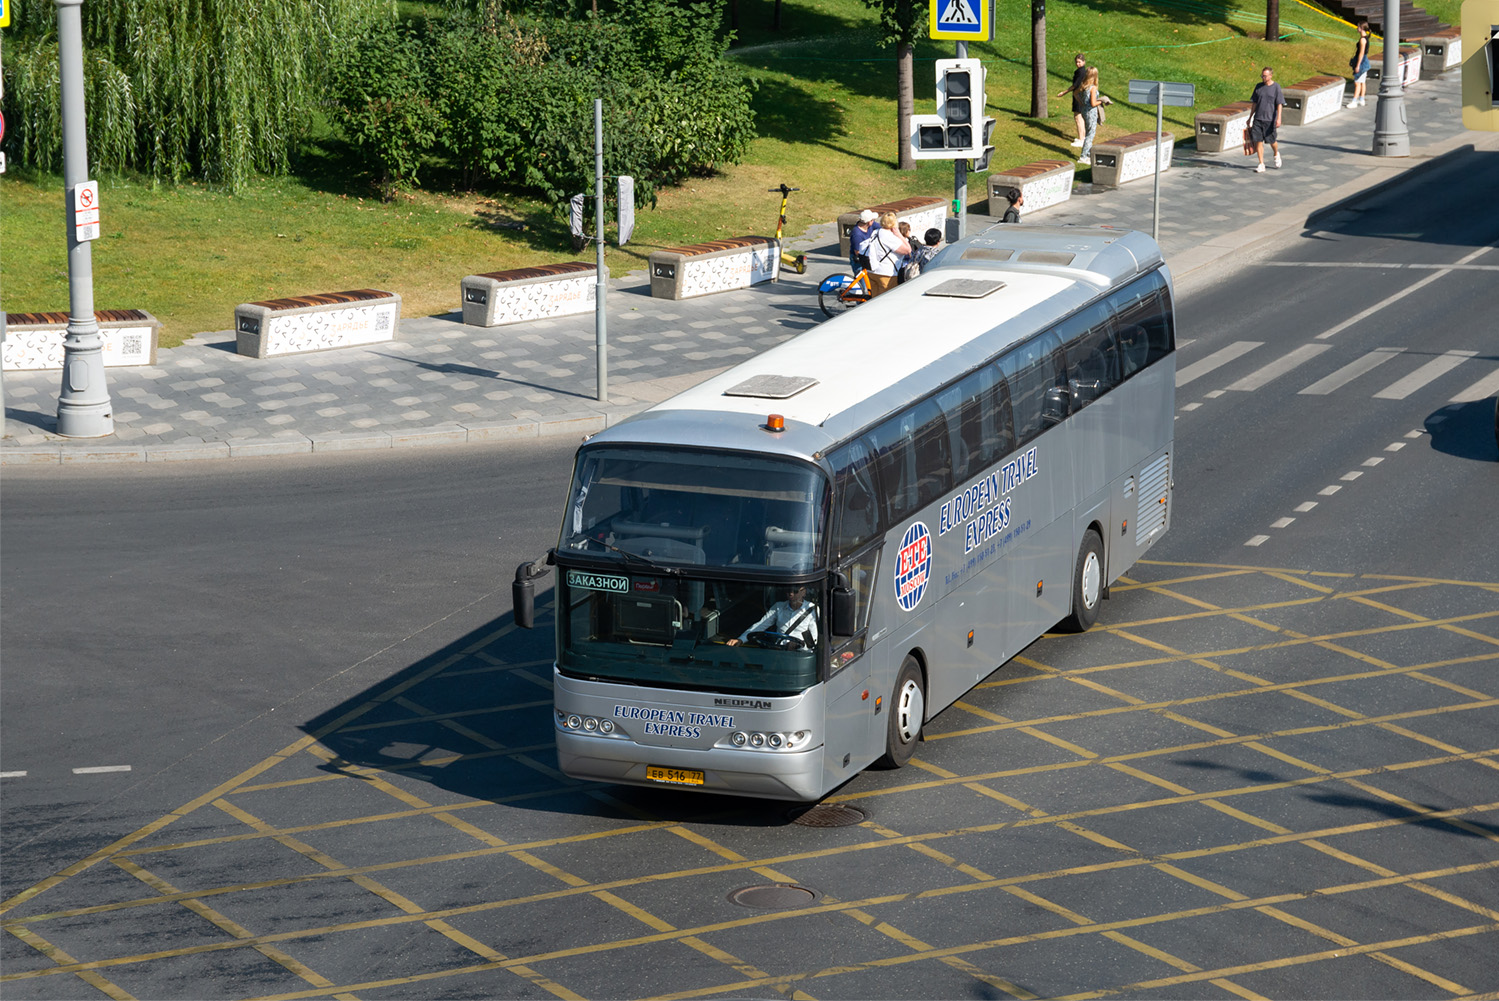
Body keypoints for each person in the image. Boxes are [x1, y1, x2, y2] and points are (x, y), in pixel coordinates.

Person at [727, 585, 818, 648]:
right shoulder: (778, 607)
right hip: (779, 651)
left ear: (804, 592)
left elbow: (814, 639)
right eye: (788, 591)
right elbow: (760, 625)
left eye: (795, 591)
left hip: (801, 655)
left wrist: (798, 645)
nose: (791, 594)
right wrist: (740, 640)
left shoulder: (812, 609)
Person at [864, 211, 910, 296]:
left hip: (872, 271)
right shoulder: (890, 237)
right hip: (886, 274)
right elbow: (908, 250)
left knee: (874, 300)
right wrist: (899, 235)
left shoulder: (876, 232)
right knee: (886, 300)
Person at [1248, 66, 1284, 173]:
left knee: (1271, 141)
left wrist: (1279, 118)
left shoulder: (1276, 87)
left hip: (1270, 119)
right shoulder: (1258, 87)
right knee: (1258, 141)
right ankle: (1261, 164)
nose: (1263, 78)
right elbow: (1254, 103)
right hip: (1258, 118)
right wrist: (1250, 117)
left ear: (1270, 75)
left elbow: (1279, 104)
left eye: (1265, 76)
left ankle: (1276, 153)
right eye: (1262, 76)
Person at [1056, 53, 1089, 148]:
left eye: (1079, 62)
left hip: (1078, 96)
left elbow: (1075, 85)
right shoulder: (1083, 71)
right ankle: (1082, 138)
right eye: (1076, 62)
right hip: (1081, 95)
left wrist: (1064, 92)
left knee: (1077, 117)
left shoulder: (1081, 72)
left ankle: (1081, 139)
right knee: (1080, 117)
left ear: (1084, 62)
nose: (1078, 64)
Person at [1078, 66, 1106, 165]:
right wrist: (1102, 101)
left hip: (1084, 111)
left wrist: (1082, 103)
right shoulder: (1092, 88)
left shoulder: (1083, 86)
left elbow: (1076, 94)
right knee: (1090, 135)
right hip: (1091, 112)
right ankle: (1083, 156)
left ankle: (1089, 154)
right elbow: (1094, 103)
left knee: (1088, 133)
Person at [1348, 22, 1371, 108]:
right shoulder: (1365, 38)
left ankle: (1354, 101)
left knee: (1357, 82)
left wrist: (1357, 65)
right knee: (1362, 82)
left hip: (1361, 61)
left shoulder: (1362, 40)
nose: (1357, 28)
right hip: (1364, 61)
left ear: (1361, 28)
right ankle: (1362, 99)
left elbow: (1361, 53)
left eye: (1358, 27)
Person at [849, 209, 879, 273]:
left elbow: (882, 227)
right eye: (873, 220)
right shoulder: (857, 234)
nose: (874, 221)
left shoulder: (871, 225)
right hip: (859, 260)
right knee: (863, 281)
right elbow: (857, 252)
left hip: (867, 256)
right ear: (869, 222)